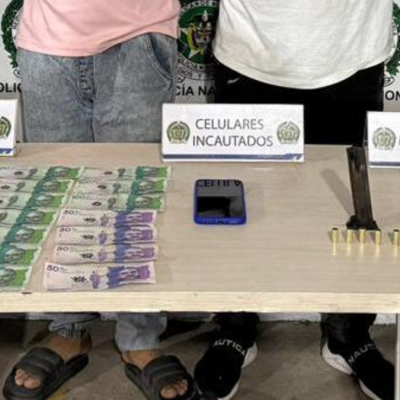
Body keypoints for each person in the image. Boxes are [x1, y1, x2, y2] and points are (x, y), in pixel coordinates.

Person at [193, 1, 394, 400]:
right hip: (250, 50)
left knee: (353, 207)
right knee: (232, 205)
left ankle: (350, 335)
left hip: (352, 49)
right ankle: (234, 330)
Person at [2, 2, 200, 400]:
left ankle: (140, 337)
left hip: (139, 34)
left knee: (139, 198)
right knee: (58, 194)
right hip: (47, 38)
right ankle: (69, 328)